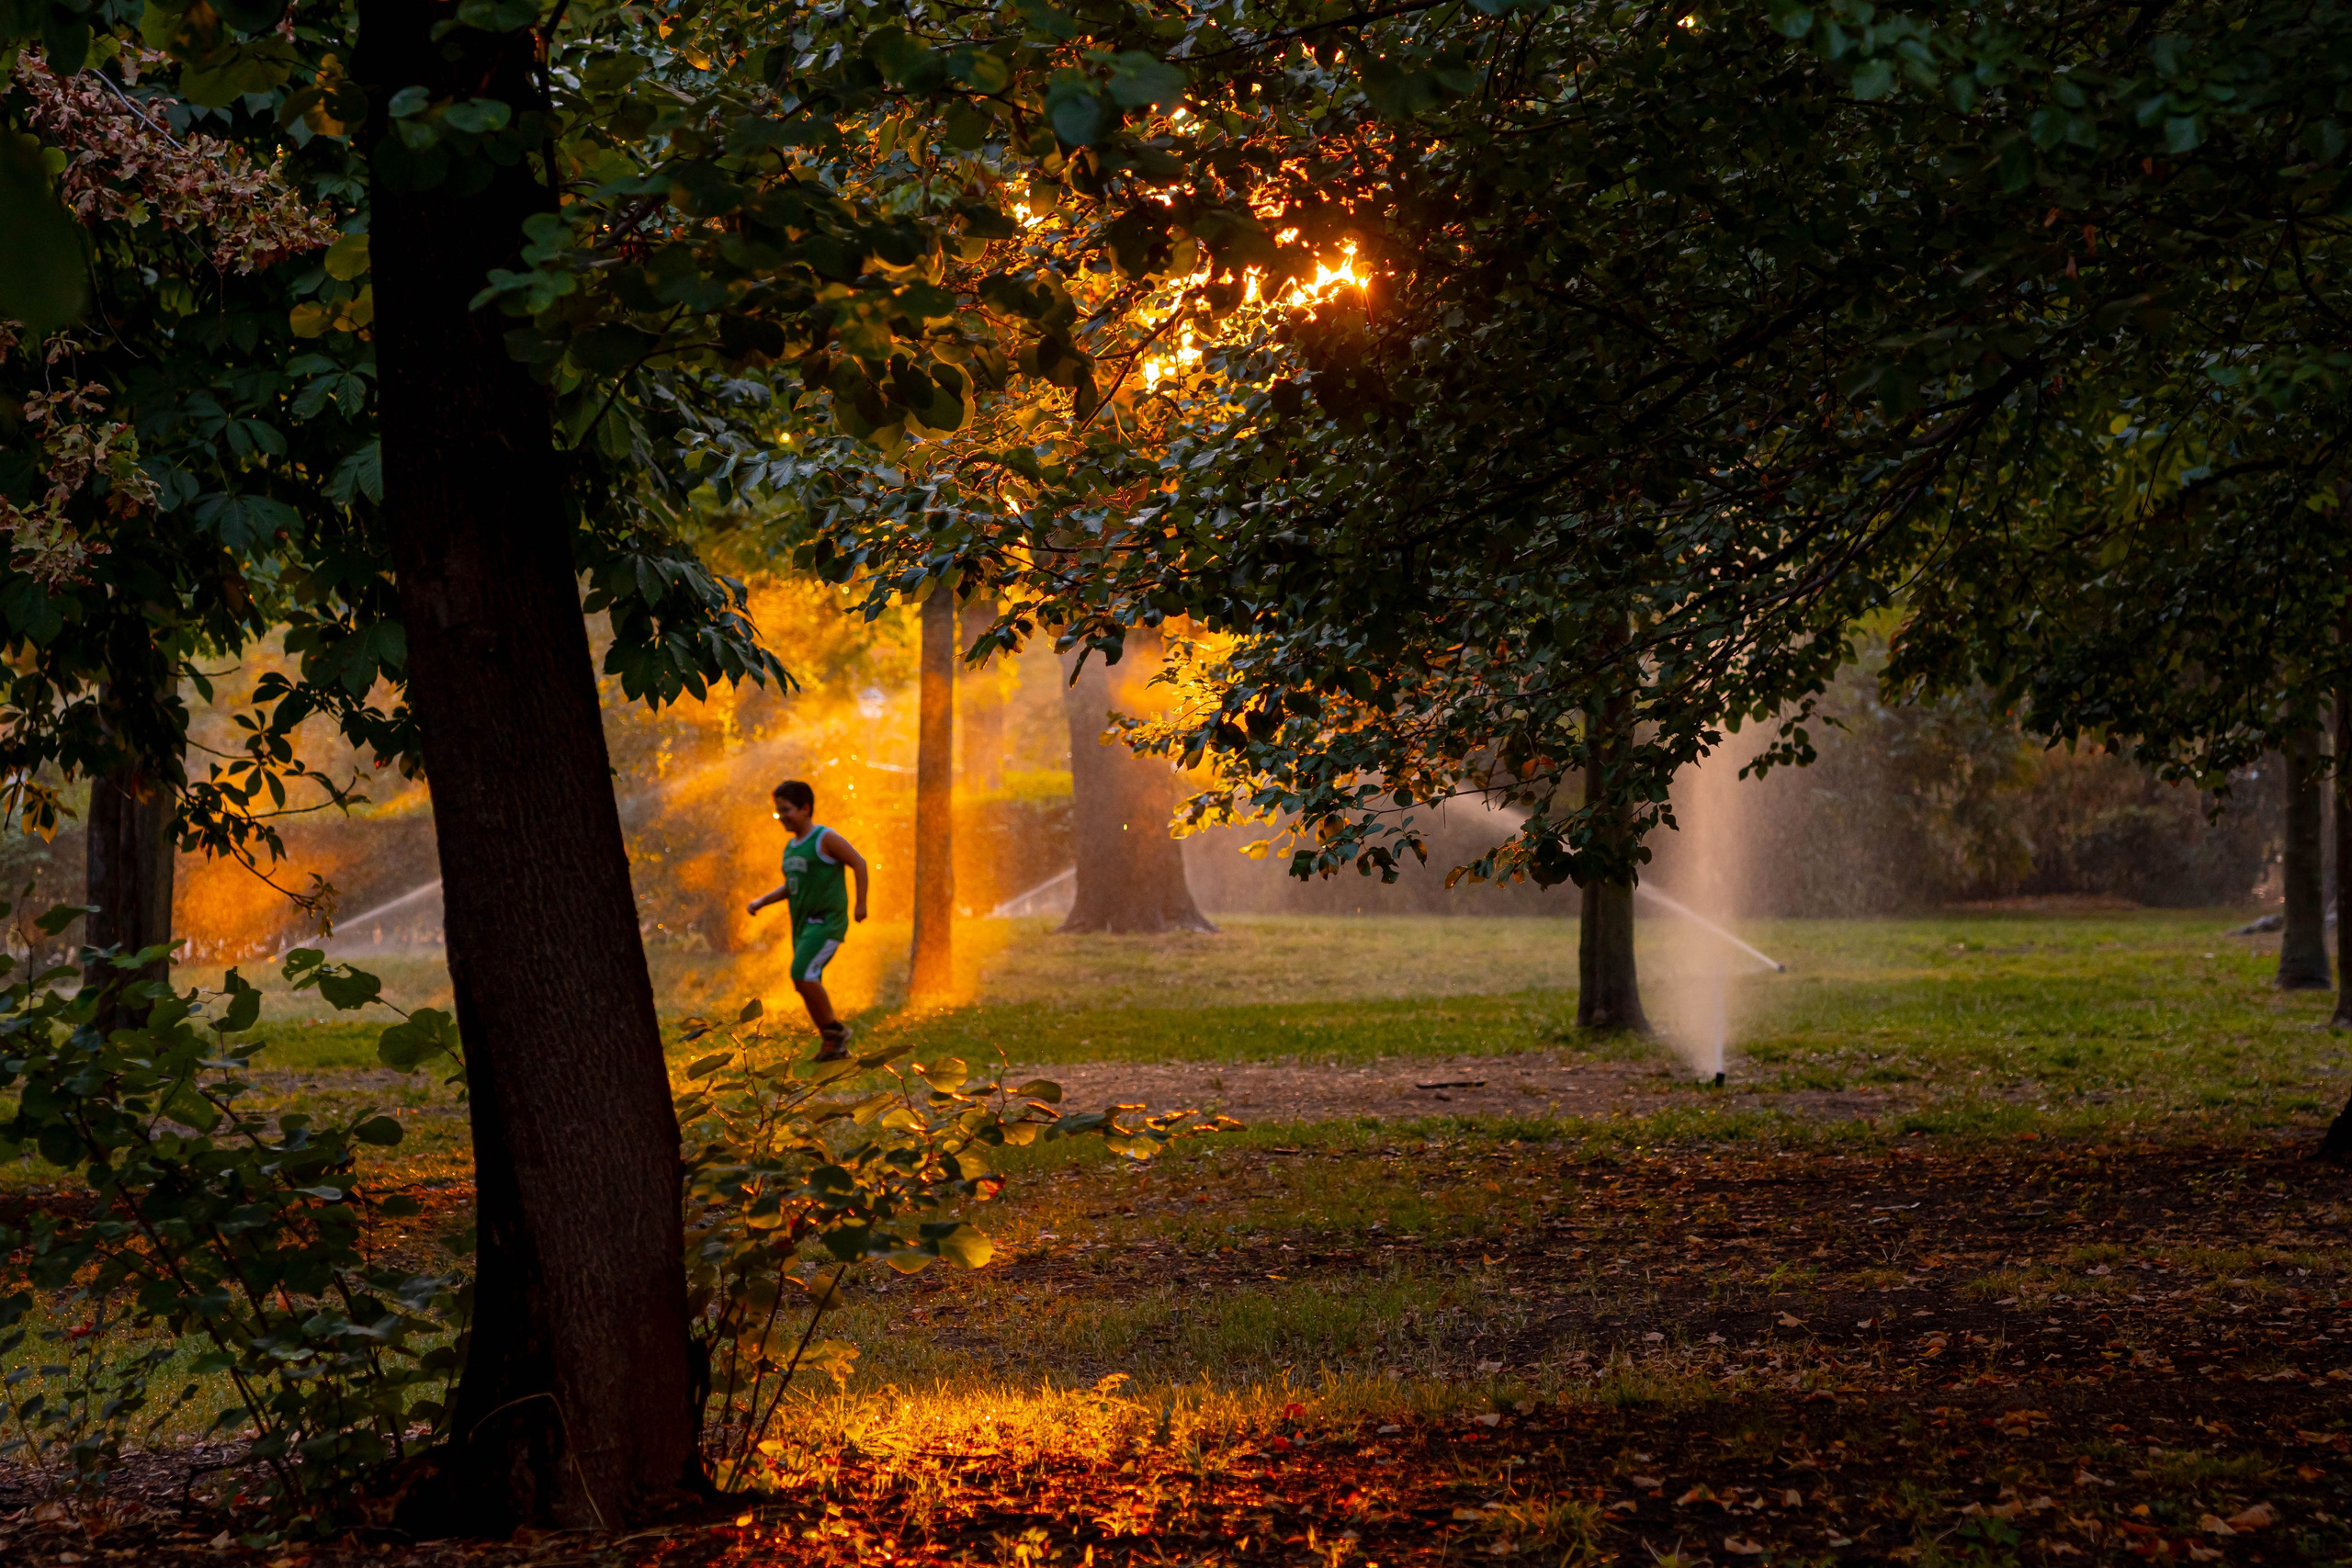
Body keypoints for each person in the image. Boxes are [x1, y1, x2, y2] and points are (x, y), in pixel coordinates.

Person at [747, 780, 869, 1060]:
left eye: (786, 810)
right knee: (804, 979)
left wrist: (861, 904)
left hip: (825, 923)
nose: (782, 817)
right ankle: (833, 1045)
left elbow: (859, 863)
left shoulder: (825, 838)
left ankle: (835, 1031)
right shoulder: (791, 848)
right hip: (802, 926)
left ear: (806, 808)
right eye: (778, 812)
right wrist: (761, 902)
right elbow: (791, 886)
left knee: (802, 974)